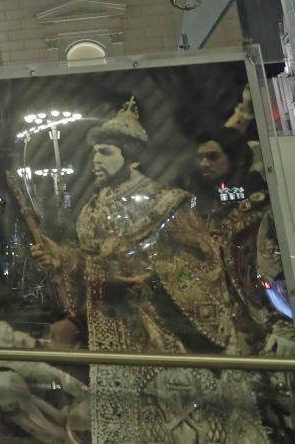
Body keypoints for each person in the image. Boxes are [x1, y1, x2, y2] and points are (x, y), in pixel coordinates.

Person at [29, 98, 265, 441]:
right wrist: (61, 261)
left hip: (163, 328)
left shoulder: (164, 202)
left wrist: (160, 278)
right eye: (95, 153)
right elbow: (86, 266)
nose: (95, 160)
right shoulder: (89, 212)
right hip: (110, 329)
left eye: (106, 152)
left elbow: (198, 266)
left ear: (132, 156)